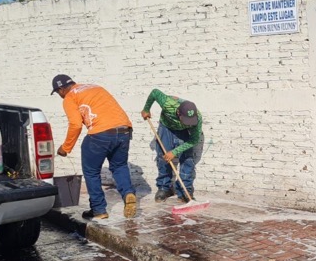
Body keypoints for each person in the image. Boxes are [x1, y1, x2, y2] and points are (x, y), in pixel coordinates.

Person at [52, 74, 137, 220]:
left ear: (61, 89)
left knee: (91, 172)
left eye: (58, 92)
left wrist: (66, 148)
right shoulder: (96, 87)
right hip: (124, 130)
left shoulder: (70, 97)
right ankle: (128, 193)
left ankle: (99, 210)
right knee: (119, 166)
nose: (60, 96)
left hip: (101, 133)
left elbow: (75, 124)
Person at [140, 89, 203, 203]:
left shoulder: (197, 118)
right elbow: (154, 92)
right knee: (163, 157)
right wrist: (146, 109)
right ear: (178, 113)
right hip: (166, 127)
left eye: (190, 120)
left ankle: (185, 192)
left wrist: (174, 152)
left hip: (184, 131)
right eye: (186, 120)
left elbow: (194, 140)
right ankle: (165, 188)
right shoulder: (168, 103)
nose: (189, 122)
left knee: (187, 160)